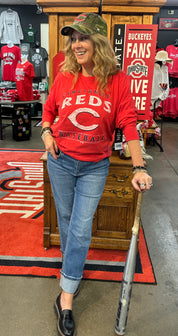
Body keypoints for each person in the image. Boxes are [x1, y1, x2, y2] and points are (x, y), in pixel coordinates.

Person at [41, 12, 153, 336]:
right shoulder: (64, 75)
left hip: (93, 166)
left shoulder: (116, 80)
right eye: (73, 39)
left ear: (99, 43)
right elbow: (49, 110)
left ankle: (65, 299)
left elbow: (128, 123)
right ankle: (72, 271)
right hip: (60, 162)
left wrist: (138, 165)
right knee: (65, 224)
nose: (76, 45)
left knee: (78, 231)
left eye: (83, 38)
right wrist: (47, 133)